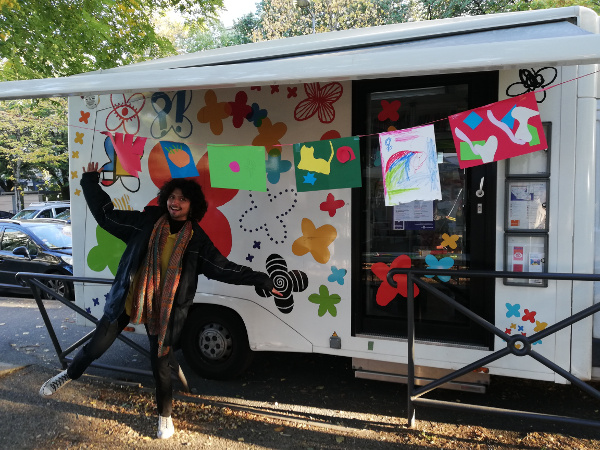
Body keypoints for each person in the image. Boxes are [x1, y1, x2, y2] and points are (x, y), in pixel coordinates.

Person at [40, 162, 281, 440]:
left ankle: (164, 417)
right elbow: (106, 217)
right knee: (95, 347)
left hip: (166, 312)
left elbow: (224, 268)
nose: (175, 202)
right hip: (128, 299)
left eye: (182, 198)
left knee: (161, 366)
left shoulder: (196, 240)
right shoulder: (146, 222)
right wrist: (90, 181)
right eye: (172, 196)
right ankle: (69, 374)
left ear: (193, 205)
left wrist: (264, 280)